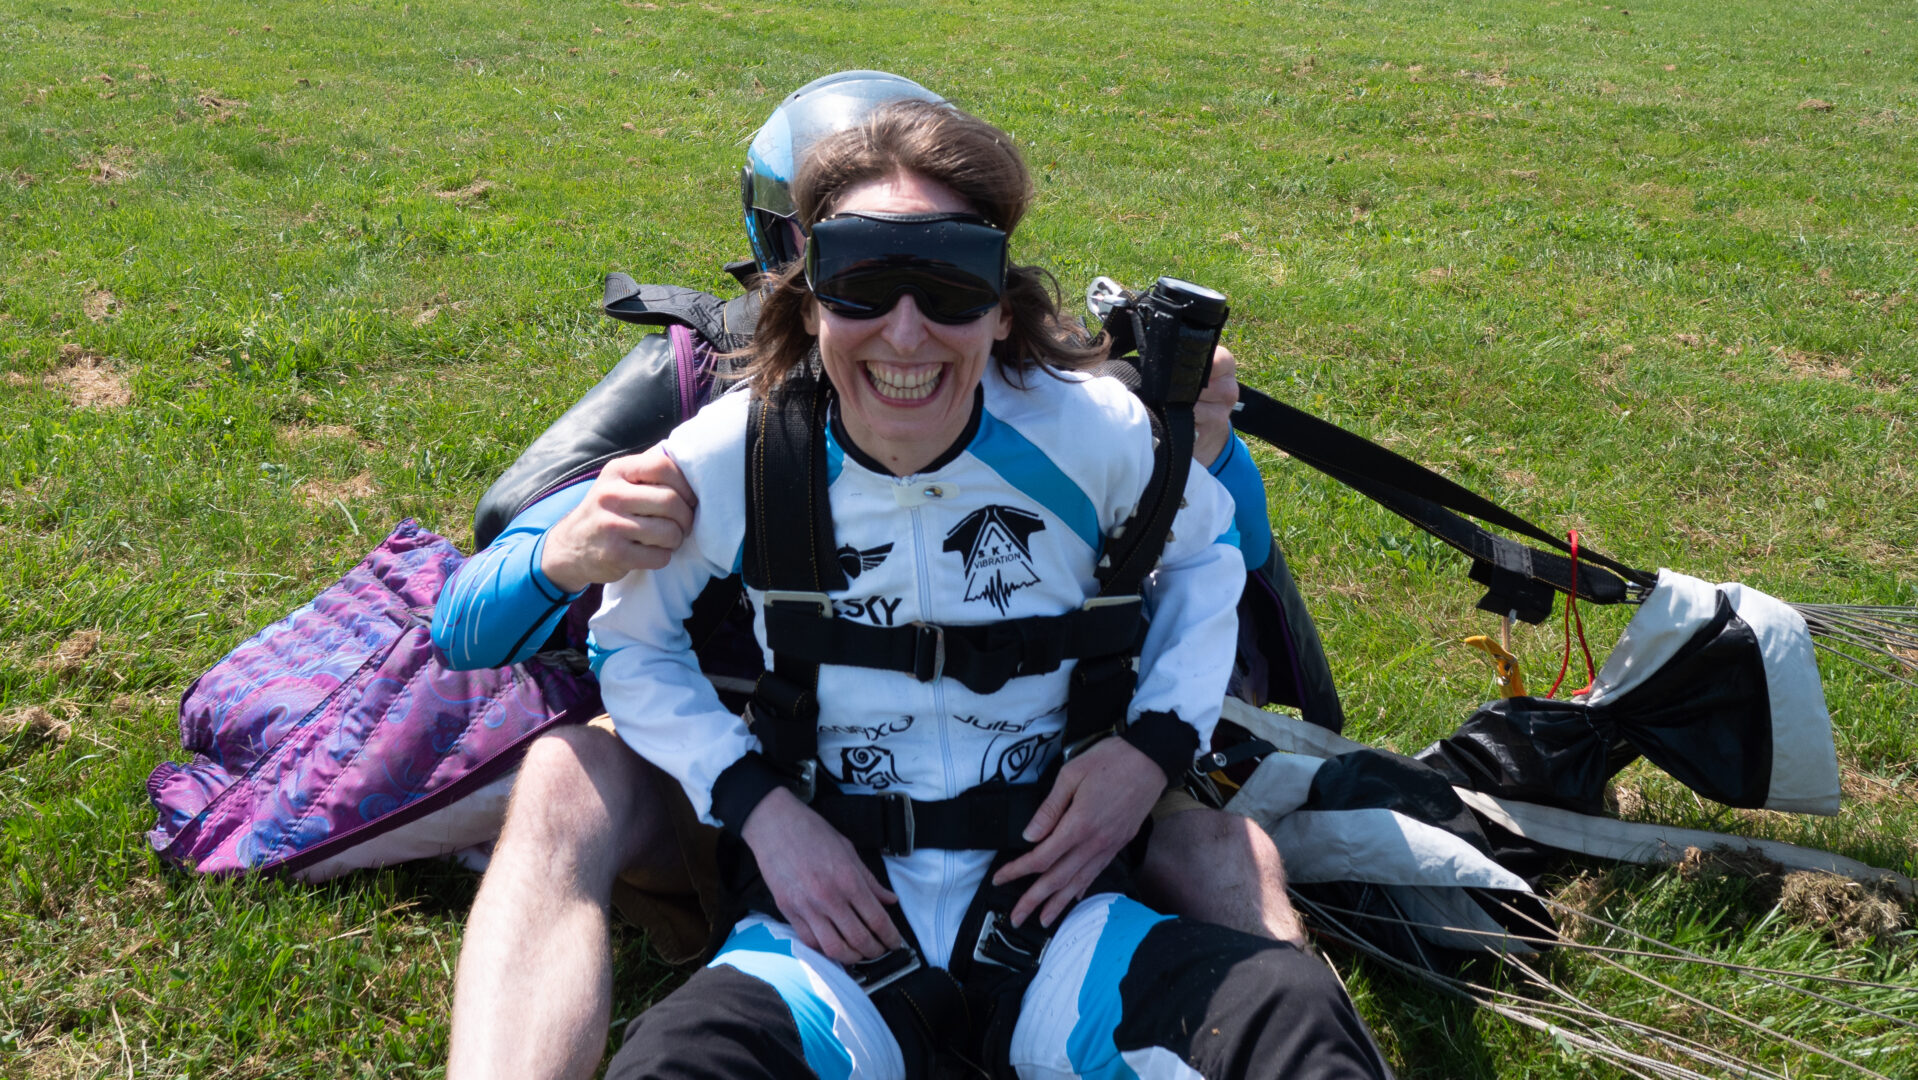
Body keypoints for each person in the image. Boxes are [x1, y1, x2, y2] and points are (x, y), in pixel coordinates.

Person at [439, 73, 1311, 1080]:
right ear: (798, 269)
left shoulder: (1070, 416)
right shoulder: (714, 417)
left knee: (1248, 936)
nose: (903, 325)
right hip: (784, 797)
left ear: (995, 293)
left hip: (1045, 805)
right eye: (853, 266)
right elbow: (507, 623)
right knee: (570, 802)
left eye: (943, 276)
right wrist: (572, 552)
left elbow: (1209, 548)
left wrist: (1200, 446)